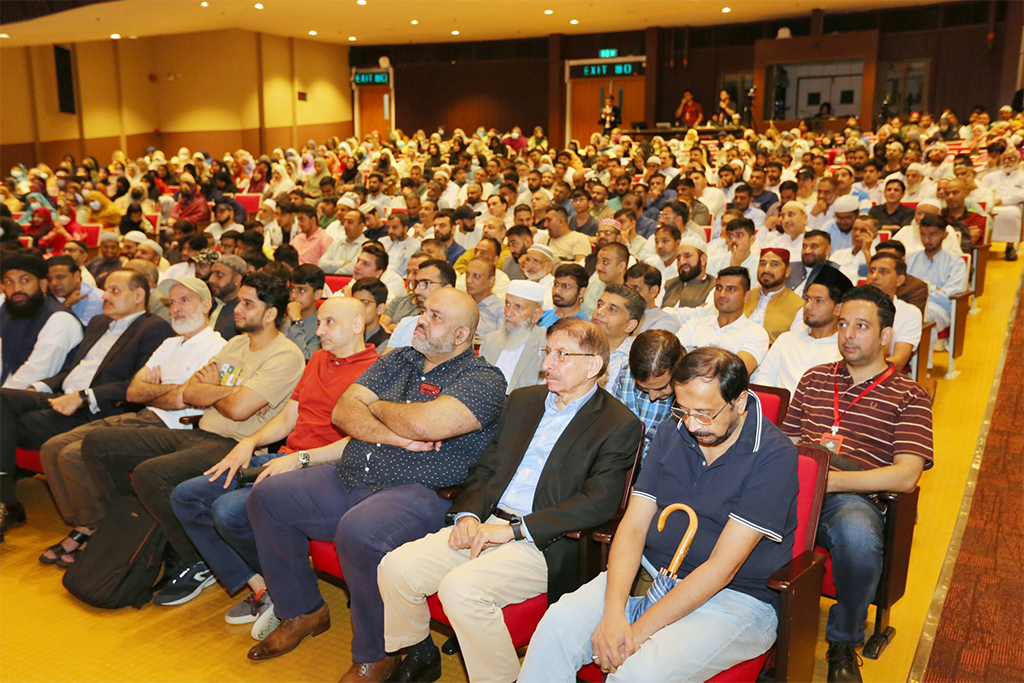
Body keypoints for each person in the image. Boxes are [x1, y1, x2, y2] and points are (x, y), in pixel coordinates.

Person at [242, 289, 506, 680]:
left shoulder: (483, 380)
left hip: (421, 491)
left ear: (461, 335)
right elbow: (344, 411)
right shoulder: (399, 359)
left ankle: (379, 652)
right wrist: (397, 434)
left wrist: (377, 407)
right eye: (423, 311)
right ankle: (302, 611)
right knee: (268, 497)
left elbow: (426, 425)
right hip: (353, 473)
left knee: (361, 532)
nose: (422, 319)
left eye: (435, 316)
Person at [378, 318, 643, 683]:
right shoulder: (524, 400)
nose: (547, 364)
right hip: (486, 522)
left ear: (593, 365)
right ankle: (422, 653)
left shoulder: (616, 423)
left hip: (543, 541)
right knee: (397, 568)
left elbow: (598, 503)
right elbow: (486, 467)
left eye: (561, 355)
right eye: (547, 352)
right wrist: (467, 515)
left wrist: (515, 530)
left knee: (462, 589)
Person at [518, 347, 798, 683]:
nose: (693, 425)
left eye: (705, 413)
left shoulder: (773, 454)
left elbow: (723, 568)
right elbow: (633, 526)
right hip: (651, 574)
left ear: (738, 402)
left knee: (638, 672)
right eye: (684, 410)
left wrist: (635, 633)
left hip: (735, 599)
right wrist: (612, 616)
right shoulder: (671, 431)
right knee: (555, 628)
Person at [79, 272, 305, 603]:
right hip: (196, 431)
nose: (237, 309)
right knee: (98, 443)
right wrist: (224, 393)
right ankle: (132, 527)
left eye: (247, 303)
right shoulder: (236, 343)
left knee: (151, 474)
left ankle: (194, 557)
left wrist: (214, 392)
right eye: (238, 301)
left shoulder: (285, 355)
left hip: (233, 446)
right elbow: (192, 392)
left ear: (270, 313)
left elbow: (240, 410)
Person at [168, 298, 377, 635]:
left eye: (329, 323)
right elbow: (287, 418)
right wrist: (249, 443)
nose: (318, 330)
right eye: (319, 322)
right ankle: (264, 586)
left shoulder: (375, 370)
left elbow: (362, 440)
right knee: (187, 496)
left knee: (228, 511)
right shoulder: (319, 359)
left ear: (357, 325)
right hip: (283, 457)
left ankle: (298, 599)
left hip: (320, 468)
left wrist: (300, 459)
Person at [781, 286, 933, 683]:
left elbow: (906, 474)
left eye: (861, 326)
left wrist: (832, 483)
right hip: (800, 481)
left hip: (854, 495)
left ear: (885, 336)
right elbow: (789, 442)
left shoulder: (909, 395)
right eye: (843, 324)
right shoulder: (814, 379)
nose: (848, 334)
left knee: (858, 537)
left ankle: (843, 642)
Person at [36, 277, 226, 566]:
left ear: (206, 304)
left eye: (184, 300)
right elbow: (134, 392)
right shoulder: (169, 343)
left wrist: (159, 392)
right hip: (143, 416)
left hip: (175, 427)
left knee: (73, 454)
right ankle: (90, 524)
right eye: (172, 302)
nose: (175, 308)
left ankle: (96, 530)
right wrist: (167, 392)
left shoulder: (217, 347)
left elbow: (185, 399)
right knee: (51, 447)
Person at [0, 269, 173, 529]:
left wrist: (83, 397)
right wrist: (40, 387)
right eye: (105, 289)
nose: (105, 296)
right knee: (3, 399)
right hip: (62, 396)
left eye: (115, 290)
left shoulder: (154, 328)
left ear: (139, 295)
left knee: (8, 426)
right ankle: (7, 500)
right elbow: (73, 369)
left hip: (95, 410)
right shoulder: (98, 323)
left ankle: (6, 502)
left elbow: (136, 386)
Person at [751, 267, 853, 394]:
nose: (808, 306)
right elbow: (763, 378)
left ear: (838, 309)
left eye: (819, 301)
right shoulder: (786, 340)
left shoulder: (844, 350)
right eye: (808, 299)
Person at [1, 254, 83, 390]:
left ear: (43, 285)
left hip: (38, 399)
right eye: (9, 282)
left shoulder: (60, 319)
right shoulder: (6, 310)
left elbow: (36, 372)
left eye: (25, 281)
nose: (17, 289)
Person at [675, 267, 769, 375]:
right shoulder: (693, 324)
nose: (722, 294)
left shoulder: (755, 333)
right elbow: (671, 359)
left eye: (731, 289)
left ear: (746, 296)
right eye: (718, 288)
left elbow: (735, 375)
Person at [611, 329, 682, 454]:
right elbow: (615, 432)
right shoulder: (626, 374)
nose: (652, 397)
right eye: (643, 388)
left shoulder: (696, 384)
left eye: (661, 388)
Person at [480, 280, 547, 393]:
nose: (509, 313)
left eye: (518, 307)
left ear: (536, 315)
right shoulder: (490, 340)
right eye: (507, 304)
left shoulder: (545, 346)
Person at [905, 214, 968, 336]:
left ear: (945, 235)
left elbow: (949, 295)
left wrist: (920, 291)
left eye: (933, 235)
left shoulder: (956, 263)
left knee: (918, 317)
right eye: (923, 235)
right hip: (909, 305)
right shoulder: (909, 259)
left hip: (939, 310)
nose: (927, 240)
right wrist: (935, 289)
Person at [863, 253, 923, 374]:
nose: (874, 276)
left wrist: (861, 372)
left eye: (883, 272)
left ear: (900, 280)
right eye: (872, 270)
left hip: (879, 378)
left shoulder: (909, 313)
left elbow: (899, 362)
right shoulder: (851, 307)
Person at [385, 259, 457, 350]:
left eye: (426, 283)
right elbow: (385, 363)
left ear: (447, 289)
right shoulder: (406, 324)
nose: (416, 290)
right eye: (417, 283)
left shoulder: (457, 330)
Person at [743, 247, 804, 343]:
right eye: (762, 263)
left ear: (787, 271)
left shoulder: (798, 306)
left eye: (774, 264)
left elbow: (794, 345)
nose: (766, 269)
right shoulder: (745, 296)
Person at [592, 284, 645, 392]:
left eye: (612, 309)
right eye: (599, 304)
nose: (599, 312)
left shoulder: (635, 361)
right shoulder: (576, 345)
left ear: (630, 325)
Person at [46, 254, 105, 326]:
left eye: (60, 277)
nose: (54, 283)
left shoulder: (97, 300)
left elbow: (80, 333)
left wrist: (65, 306)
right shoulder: (50, 296)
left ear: (77, 276)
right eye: (49, 279)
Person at [662, 234, 715, 310]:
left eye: (687, 256)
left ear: (703, 259)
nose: (682, 262)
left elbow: (705, 317)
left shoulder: (714, 286)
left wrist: (666, 312)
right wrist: (694, 312)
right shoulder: (668, 285)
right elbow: (656, 314)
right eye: (678, 258)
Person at [285, 264, 325, 360]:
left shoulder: (322, 326)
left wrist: (296, 322)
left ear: (317, 294)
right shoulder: (280, 317)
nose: (294, 296)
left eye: (301, 290)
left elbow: (307, 360)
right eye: (292, 289)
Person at [625, 262, 680, 333]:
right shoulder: (617, 313)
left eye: (636, 288)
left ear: (653, 291)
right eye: (626, 287)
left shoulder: (666, 322)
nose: (629, 293)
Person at [582, 241, 629, 318]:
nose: (599, 267)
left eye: (605, 262)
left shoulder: (632, 292)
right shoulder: (593, 283)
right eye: (598, 261)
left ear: (621, 266)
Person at [208, 255, 247, 342]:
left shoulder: (243, 312)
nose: (211, 280)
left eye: (220, 274)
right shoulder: (209, 304)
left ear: (237, 279)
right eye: (211, 274)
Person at [539, 263, 589, 328]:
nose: (557, 291)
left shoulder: (585, 327)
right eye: (556, 284)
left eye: (565, 286)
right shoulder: (541, 317)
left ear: (581, 292)